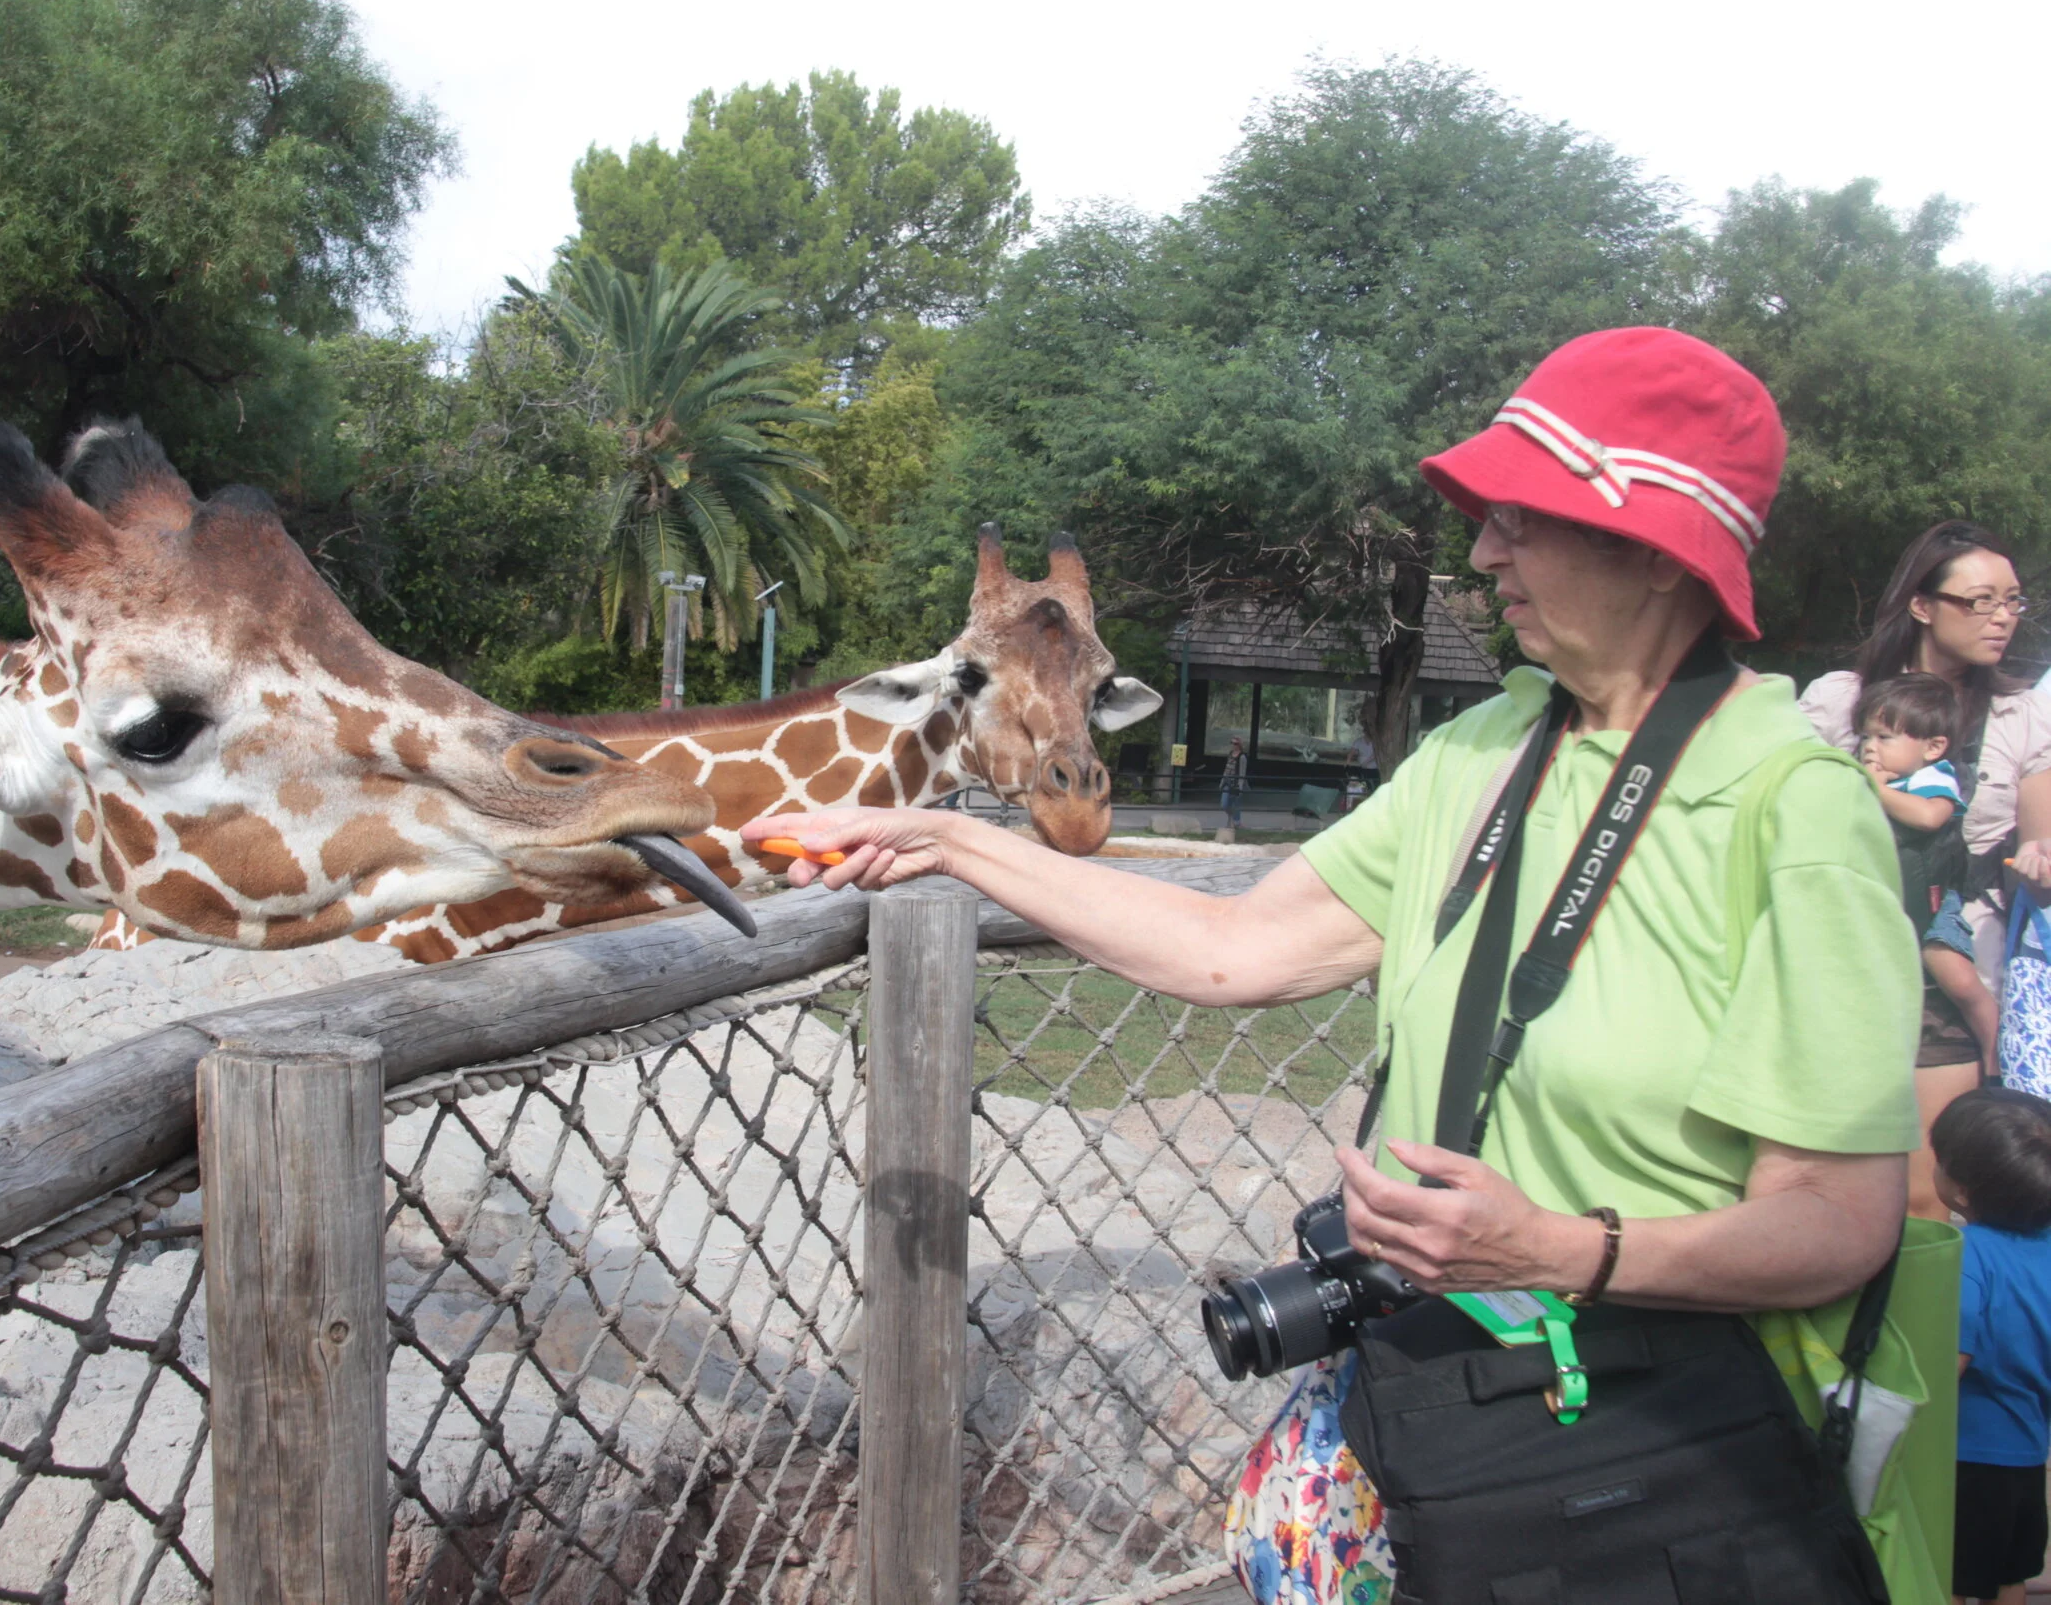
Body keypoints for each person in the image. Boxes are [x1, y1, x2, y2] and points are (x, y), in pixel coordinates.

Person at [746, 327, 1937, 1601]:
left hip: (1657, 1457)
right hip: (1448, 1400)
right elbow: (1231, 945)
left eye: (1521, 518)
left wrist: (1556, 1248)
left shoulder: (1791, 808)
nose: (1482, 551)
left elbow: (1836, 1224)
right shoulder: (1482, 745)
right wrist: (939, 840)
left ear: (1653, 552)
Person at [1803, 522, 2051, 1221]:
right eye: (1980, 600)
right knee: (1812, 1174)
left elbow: (2040, 827)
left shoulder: (2020, 716)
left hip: (1944, 963)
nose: (2002, 616)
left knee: (1926, 1194)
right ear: (1922, 604)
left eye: (2013, 601)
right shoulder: (1838, 701)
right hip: (1838, 960)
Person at [1931, 1087, 2051, 1605]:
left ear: (1959, 1189)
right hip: (2028, 1454)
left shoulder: (1967, 1253)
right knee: (2010, 1577)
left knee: (1952, 1578)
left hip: (1967, 1456)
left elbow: (1952, 1362)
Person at [1856, 672, 2000, 1056]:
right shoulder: (1866, 779)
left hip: (1933, 901)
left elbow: (1929, 817)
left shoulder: (1932, 778)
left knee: (1955, 975)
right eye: (1865, 736)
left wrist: (1877, 790)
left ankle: (1993, 1053)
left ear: (1933, 747)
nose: (1870, 747)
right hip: (1884, 901)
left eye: (1884, 737)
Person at [1217, 734, 1248, 832]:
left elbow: (1242, 772)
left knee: (1236, 803)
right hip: (1227, 781)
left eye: (1235, 743)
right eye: (1232, 743)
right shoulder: (1230, 754)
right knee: (1224, 804)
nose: (1233, 745)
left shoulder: (1242, 757)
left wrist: (1240, 786)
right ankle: (1233, 819)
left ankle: (1236, 823)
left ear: (1239, 745)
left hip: (1236, 782)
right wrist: (1222, 781)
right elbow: (1226, 769)